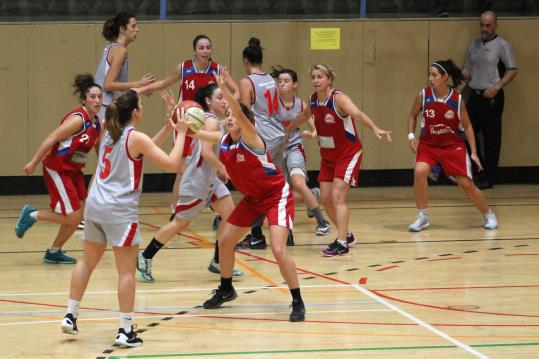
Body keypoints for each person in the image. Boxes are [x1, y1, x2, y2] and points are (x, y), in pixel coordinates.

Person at [59, 90, 188, 347]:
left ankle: (70, 315)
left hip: (96, 205)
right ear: (136, 112)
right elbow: (173, 164)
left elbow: (142, 148)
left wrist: (166, 129)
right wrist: (182, 132)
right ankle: (125, 330)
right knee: (126, 270)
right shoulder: (134, 137)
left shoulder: (110, 131)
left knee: (87, 260)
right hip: (118, 210)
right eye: (141, 105)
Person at [195, 69, 305, 322]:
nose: (230, 118)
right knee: (225, 241)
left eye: (235, 116)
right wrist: (180, 126)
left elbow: (241, 116)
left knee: (278, 249)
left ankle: (297, 300)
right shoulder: (224, 139)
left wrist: (227, 91)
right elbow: (200, 134)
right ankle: (226, 288)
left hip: (276, 195)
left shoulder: (253, 139)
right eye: (228, 116)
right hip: (253, 199)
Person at [136, 83, 243, 283]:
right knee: (179, 223)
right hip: (197, 180)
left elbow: (187, 123)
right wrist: (222, 168)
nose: (224, 100)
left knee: (230, 215)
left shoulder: (208, 119)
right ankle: (145, 255)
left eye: (224, 97)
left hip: (210, 181)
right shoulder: (211, 122)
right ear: (208, 102)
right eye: (219, 97)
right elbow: (206, 153)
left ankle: (219, 262)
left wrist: (176, 108)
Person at [286, 64, 392, 257]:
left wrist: (375, 128)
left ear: (329, 80)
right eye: (313, 77)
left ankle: (342, 243)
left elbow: (358, 114)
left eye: (320, 77)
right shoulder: (313, 100)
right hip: (328, 156)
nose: (316, 80)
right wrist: (288, 128)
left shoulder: (339, 99)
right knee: (325, 199)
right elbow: (305, 115)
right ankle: (347, 235)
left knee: (337, 197)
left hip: (348, 154)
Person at [138, 34, 239, 227]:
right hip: (187, 123)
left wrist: (227, 114)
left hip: (208, 123)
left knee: (213, 167)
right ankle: (175, 210)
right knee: (181, 169)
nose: (205, 51)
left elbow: (237, 92)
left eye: (208, 47)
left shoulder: (218, 69)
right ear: (194, 50)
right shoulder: (183, 68)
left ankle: (219, 209)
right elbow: (163, 83)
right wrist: (141, 90)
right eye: (201, 48)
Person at [15, 74, 103, 264]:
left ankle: (53, 252)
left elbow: (99, 148)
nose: (97, 100)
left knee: (78, 215)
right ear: (83, 100)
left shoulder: (97, 122)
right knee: (72, 217)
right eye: (93, 97)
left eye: (99, 97)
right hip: (57, 169)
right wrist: (33, 162)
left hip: (74, 171)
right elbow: (51, 138)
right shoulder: (78, 120)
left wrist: (106, 168)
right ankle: (32, 214)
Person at [407, 59, 499, 232]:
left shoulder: (457, 100)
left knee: (466, 184)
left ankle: (489, 214)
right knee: (419, 171)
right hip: (429, 145)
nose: (430, 78)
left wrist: (473, 152)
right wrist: (411, 135)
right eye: (429, 74)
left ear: (445, 77)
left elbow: (468, 126)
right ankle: (422, 216)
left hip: (452, 146)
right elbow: (412, 116)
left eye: (434, 75)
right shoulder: (423, 95)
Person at [236, 37, 288, 249]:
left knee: (255, 187)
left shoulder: (247, 81)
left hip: (263, 137)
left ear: (246, 60)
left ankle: (256, 235)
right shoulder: (270, 79)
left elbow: (245, 114)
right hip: (278, 135)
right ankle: (286, 232)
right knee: (276, 185)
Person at [272, 66, 330, 237]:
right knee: (283, 193)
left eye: (286, 81)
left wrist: (312, 134)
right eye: (280, 81)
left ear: (295, 84)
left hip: (294, 147)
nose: (282, 84)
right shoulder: (272, 102)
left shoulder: (301, 104)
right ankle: (312, 194)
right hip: (275, 150)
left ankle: (322, 222)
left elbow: (314, 128)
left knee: (298, 183)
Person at [463, 10, 517, 189]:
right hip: (475, 96)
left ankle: (489, 176)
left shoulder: (503, 45)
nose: (484, 29)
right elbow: (467, 71)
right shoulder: (473, 44)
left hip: (493, 97)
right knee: (466, 133)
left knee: (492, 138)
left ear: (495, 25)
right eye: (482, 25)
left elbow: (512, 69)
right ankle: (477, 171)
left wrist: (497, 87)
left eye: (488, 25)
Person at [95, 13, 155, 120]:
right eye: (133, 26)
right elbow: (108, 85)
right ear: (122, 29)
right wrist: (139, 83)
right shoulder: (120, 51)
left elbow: (116, 87)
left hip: (101, 106)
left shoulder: (112, 47)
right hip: (104, 108)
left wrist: (139, 88)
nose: (137, 29)